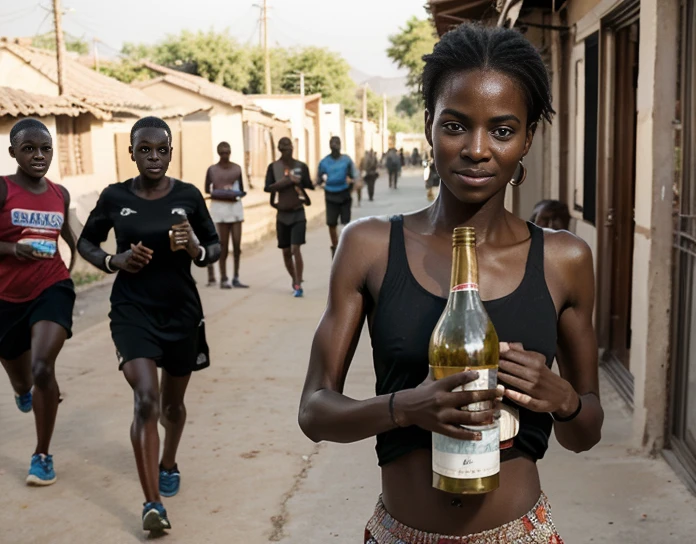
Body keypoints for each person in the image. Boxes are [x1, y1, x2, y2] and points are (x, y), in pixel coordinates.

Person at [299, 24, 602, 544]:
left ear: (528, 137)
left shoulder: (563, 259)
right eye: (456, 125)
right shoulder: (370, 246)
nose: (477, 149)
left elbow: (585, 433)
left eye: (503, 131)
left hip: (521, 534)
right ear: (428, 126)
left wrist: (563, 399)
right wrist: (404, 407)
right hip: (400, 533)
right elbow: (315, 411)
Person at [77, 116, 221, 532]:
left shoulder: (189, 196)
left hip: (181, 313)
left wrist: (194, 247)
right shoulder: (114, 196)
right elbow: (87, 241)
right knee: (146, 399)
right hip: (132, 311)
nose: (153, 157)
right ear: (132, 151)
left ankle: (169, 462)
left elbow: (213, 248)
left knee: (172, 406)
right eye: (144, 149)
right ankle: (152, 505)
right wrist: (113, 260)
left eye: (161, 150)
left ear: (171, 152)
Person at [0, 118, 76, 486]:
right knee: (22, 380)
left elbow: (73, 238)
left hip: (52, 286)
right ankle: (23, 390)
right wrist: (14, 248)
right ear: (13, 152)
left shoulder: (60, 194)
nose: (39, 155)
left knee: (44, 367)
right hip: (5, 298)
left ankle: (42, 456)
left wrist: (75, 271)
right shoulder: (3, 189)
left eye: (45, 148)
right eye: (29, 149)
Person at [265, 137, 314, 298]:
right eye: (284, 148)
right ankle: (294, 279)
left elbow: (309, 185)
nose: (288, 151)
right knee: (286, 251)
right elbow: (268, 188)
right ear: (280, 149)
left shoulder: (301, 166)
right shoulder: (273, 167)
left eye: (290, 148)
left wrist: (298, 183)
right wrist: (285, 182)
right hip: (282, 215)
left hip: (298, 213)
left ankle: (299, 283)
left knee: (295, 248)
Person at [205, 142, 248, 289]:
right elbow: (207, 189)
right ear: (218, 153)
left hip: (235, 209)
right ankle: (223, 278)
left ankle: (236, 277)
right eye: (222, 152)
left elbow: (241, 189)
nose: (225, 155)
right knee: (222, 245)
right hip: (220, 209)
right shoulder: (212, 170)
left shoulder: (237, 168)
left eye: (227, 152)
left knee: (236, 245)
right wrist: (223, 192)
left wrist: (232, 193)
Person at [317, 136, 358, 258]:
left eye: (337, 143)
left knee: (346, 222)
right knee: (331, 223)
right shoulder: (324, 162)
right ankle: (335, 247)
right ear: (329, 146)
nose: (335, 145)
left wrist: (351, 185)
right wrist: (321, 184)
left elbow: (353, 175)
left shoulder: (346, 160)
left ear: (341, 145)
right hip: (330, 195)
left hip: (344, 193)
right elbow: (319, 178)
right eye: (332, 143)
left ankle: (345, 246)